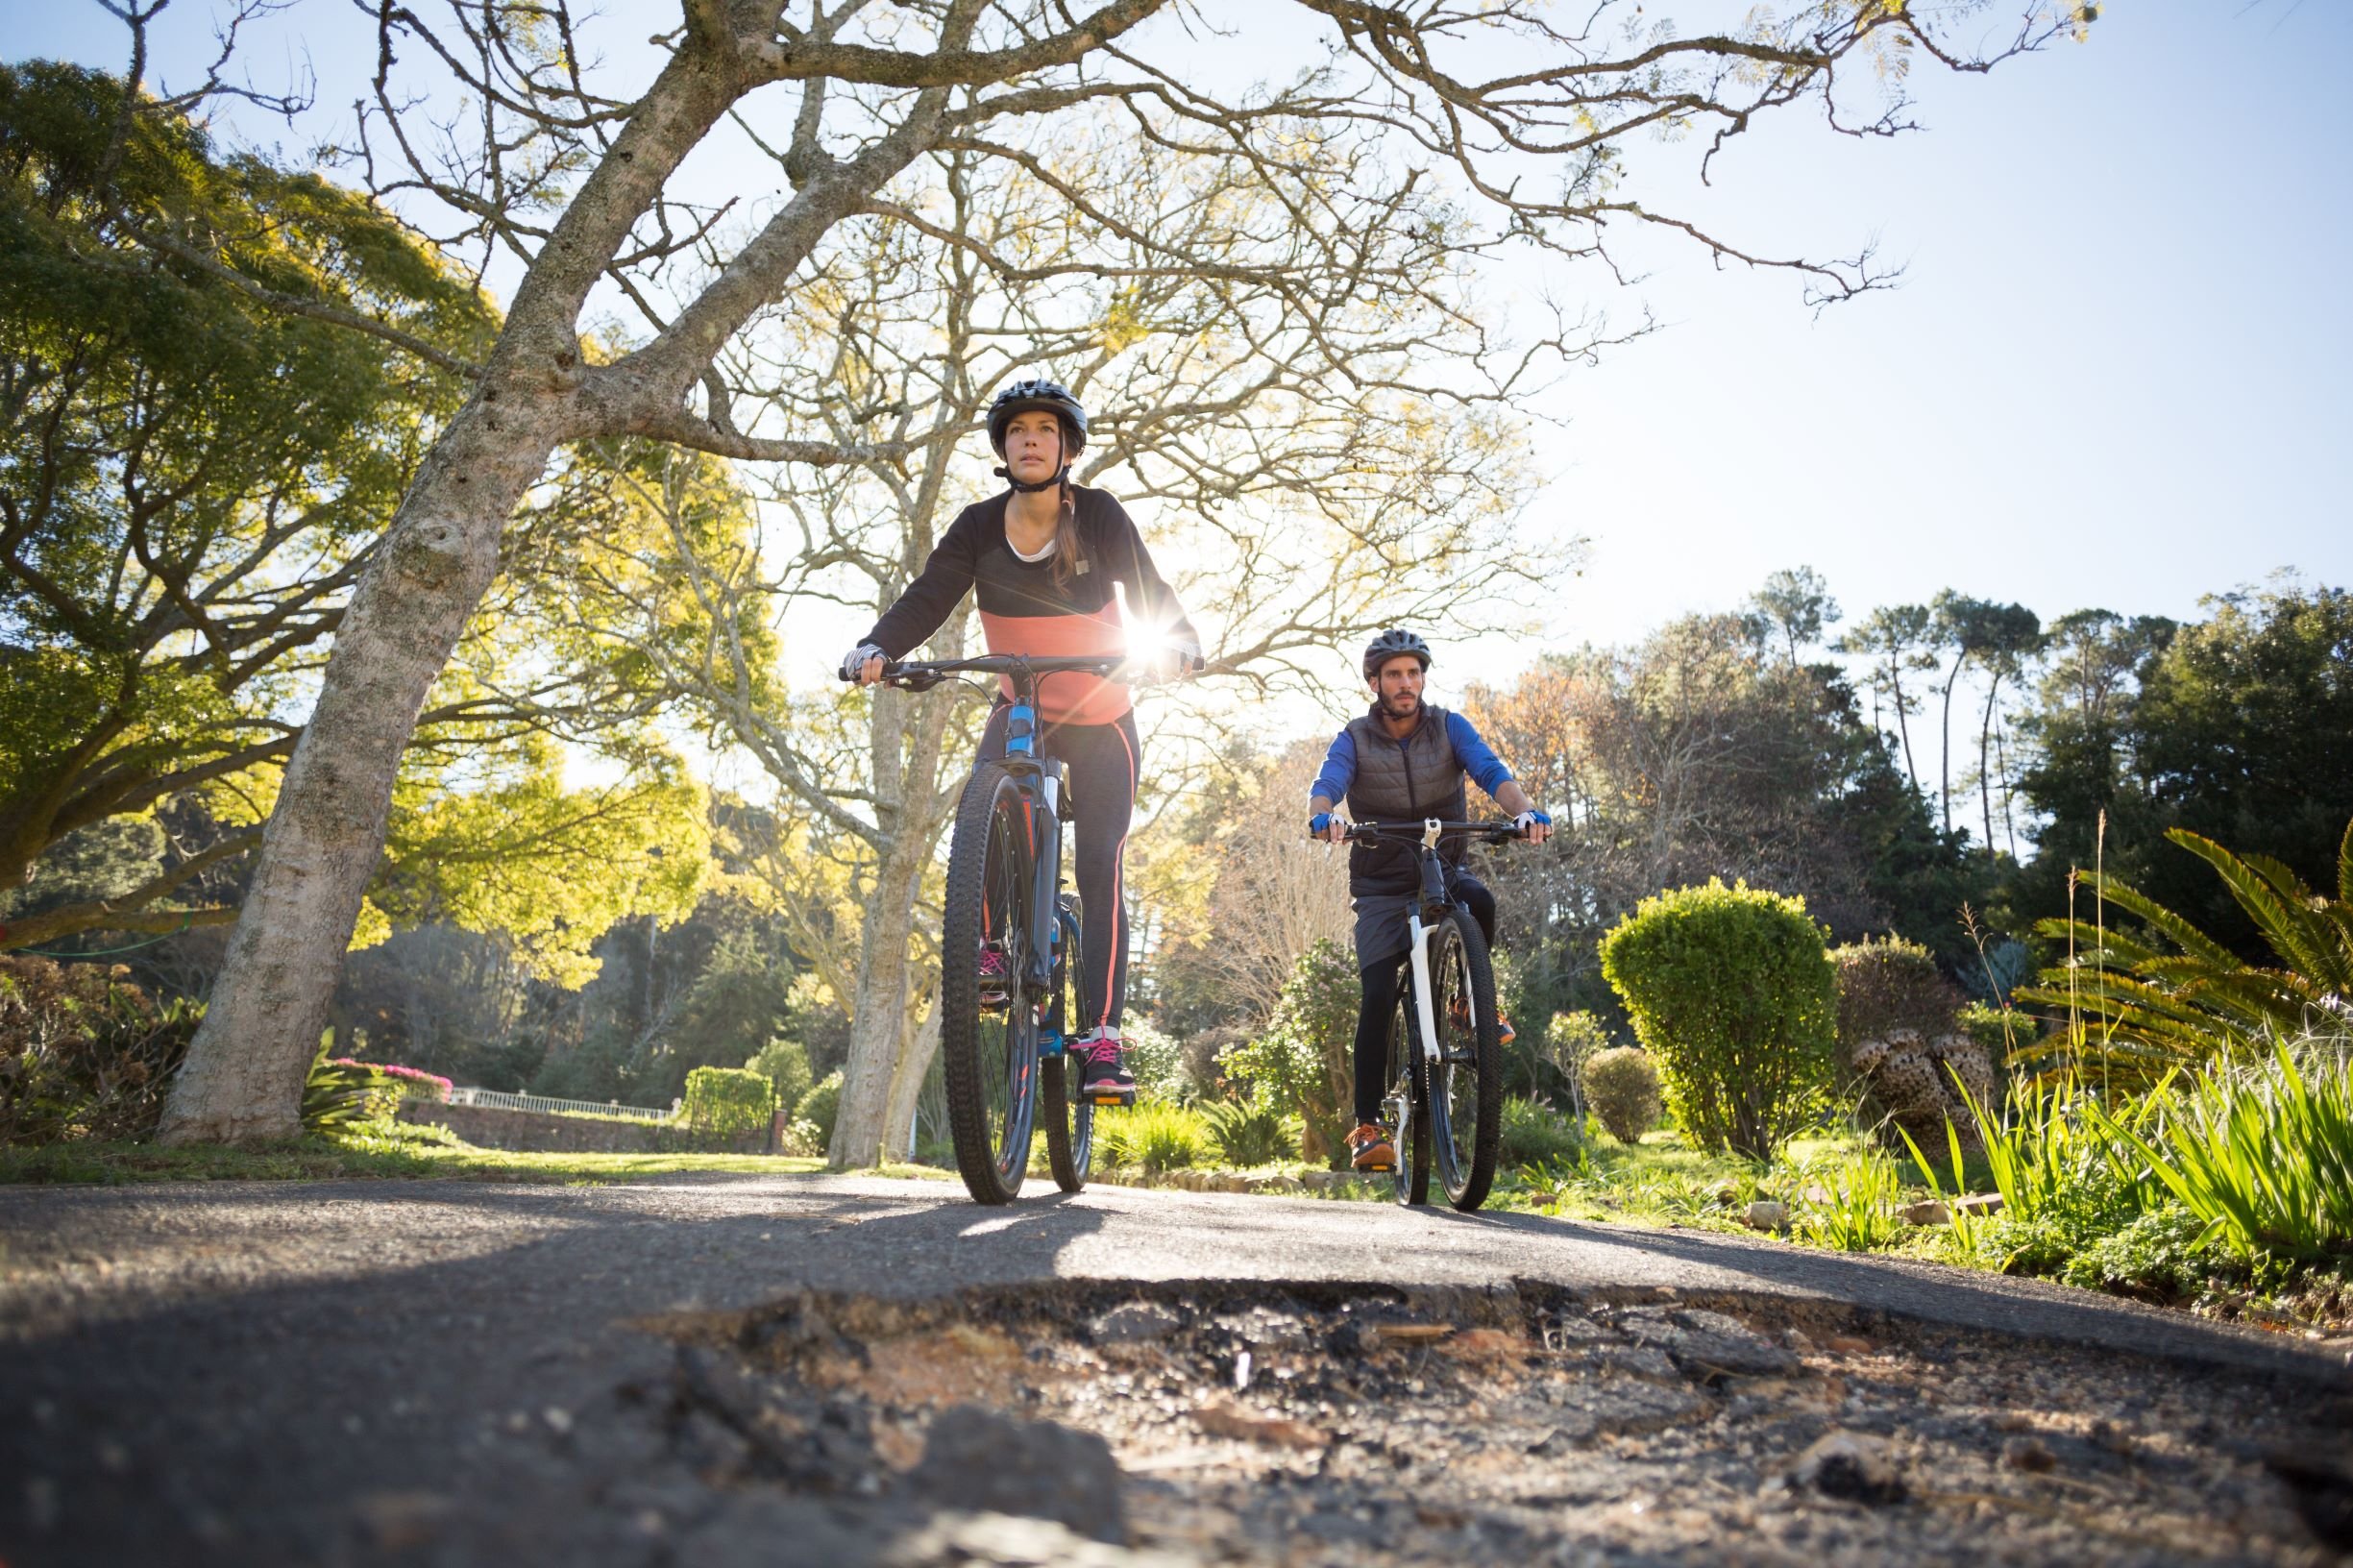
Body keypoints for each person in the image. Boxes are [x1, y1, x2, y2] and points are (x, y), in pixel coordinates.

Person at [841, 378, 1200, 1105]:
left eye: (1044, 429)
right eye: (1016, 431)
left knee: (1100, 863)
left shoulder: (1096, 514)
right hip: (1021, 705)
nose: (1029, 439)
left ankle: (1101, 1036)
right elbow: (930, 593)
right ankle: (987, 955)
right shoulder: (977, 525)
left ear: (1066, 447)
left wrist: (1179, 639)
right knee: (982, 810)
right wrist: (878, 644)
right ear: (1002, 448)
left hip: (1102, 719)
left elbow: (1147, 586)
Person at [1307, 628, 1553, 1170]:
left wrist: (1524, 812)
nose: (1406, 683)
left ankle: (1469, 1001)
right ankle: (1368, 1126)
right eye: (1394, 674)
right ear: (1375, 682)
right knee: (1375, 996)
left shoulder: (1448, 727)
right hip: (1379, 885)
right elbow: (1328, 782)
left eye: (1414, 673)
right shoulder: (1355, 736)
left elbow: (1491, 772)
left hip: (1442, 866)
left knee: (1480, 902)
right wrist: (1325, 816)